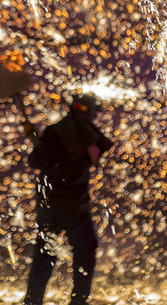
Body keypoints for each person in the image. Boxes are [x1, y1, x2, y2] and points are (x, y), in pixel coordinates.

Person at [21, 93, 114, 305]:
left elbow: (35, 161)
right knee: (85, 250)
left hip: (50, 204)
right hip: (74, 207)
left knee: (45, 254)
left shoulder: (55, 132)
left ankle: (33, 301)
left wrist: (38, 141)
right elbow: (93, 157)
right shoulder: (87, 137)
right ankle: (79, 300)